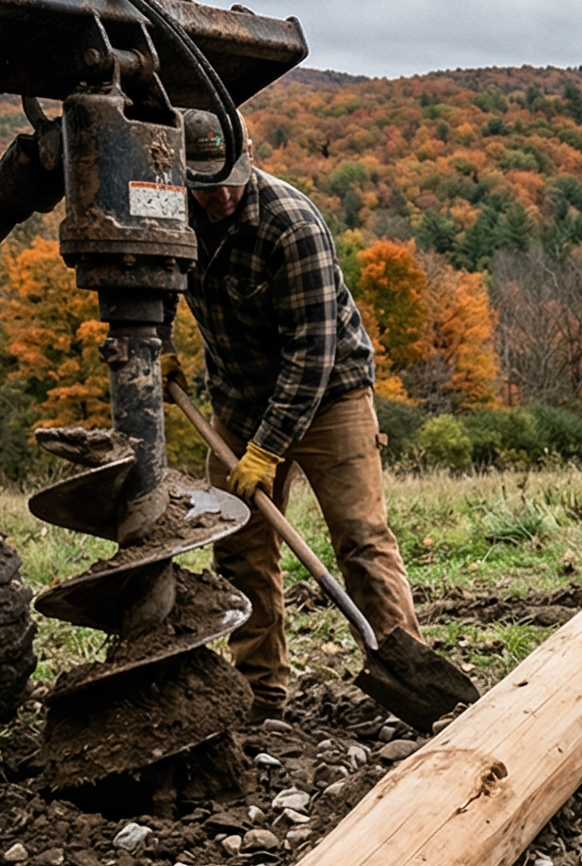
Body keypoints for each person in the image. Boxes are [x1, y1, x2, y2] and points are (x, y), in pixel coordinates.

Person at [179, 108, 423, 721]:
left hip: (328, 396)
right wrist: (155, 345)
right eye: (203, 184)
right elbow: (151, 280)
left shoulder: (291, 225)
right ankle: (260, 694)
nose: (219, 196)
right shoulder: (175, 215)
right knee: (239, 550)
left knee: (362, 539)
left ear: (251, 156)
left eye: (228, 179)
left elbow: (311, 355)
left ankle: (408, 674)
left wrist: (267, 449)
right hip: (237, 399)